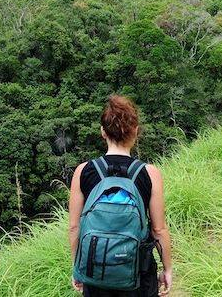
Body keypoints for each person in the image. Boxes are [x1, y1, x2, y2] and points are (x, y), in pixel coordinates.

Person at [69, 95, 173, 297]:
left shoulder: (83, 171)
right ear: (135, 131)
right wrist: (167, 268)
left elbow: (74, 227)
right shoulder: (150, 173)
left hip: (93, 269)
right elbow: (158, 229)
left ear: (102, 132)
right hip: (138, 274)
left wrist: (78, 267)